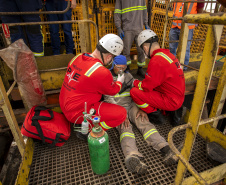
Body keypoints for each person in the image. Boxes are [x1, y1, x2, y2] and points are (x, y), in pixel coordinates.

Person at [104, 55, 180, 175]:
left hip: (131, 106)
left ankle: (164, 147)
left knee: (144, 121)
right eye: (118, 67)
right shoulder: (106, 78)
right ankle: (132, 156)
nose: (120, 70)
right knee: (125, 129)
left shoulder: (128, 76)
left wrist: (140, 108)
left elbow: (135, 93)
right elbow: (108, 98)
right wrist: (120, 114)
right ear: (113, 65)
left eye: (123, 68)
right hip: (117, 109)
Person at [59, 34, 127, 135]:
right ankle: (90, 129)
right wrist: (120, 81)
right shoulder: (101, 71)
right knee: (121, 114)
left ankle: (84, 122)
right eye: (111, 58)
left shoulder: (77, 57)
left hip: (64, 104)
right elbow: (113, 91)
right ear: (109, 57)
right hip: (76, 113)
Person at [130, 30, 185, 125]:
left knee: (134, 92)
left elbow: (146, 87)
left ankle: (155, 116)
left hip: (171, 101)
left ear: (145, 48)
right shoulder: (169, 55)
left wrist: (134, 82)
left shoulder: (156, 61)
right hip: (178, 98)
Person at [114, 0, 150, 78]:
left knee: (141, 50)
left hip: (139, 27)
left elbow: (144, 9)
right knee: (126, 51)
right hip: (127, 28)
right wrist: (119, 27)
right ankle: (128, 69)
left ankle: (140, 69)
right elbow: (117, 11)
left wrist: (146, 23)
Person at [169, 0, 204, 71]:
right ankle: (171, 65)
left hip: (187, 27)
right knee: (172, 47)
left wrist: (196, 21)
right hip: (175, 25)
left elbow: (200, 10)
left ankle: (183, 68)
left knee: (185, 48)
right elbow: (174, 7)